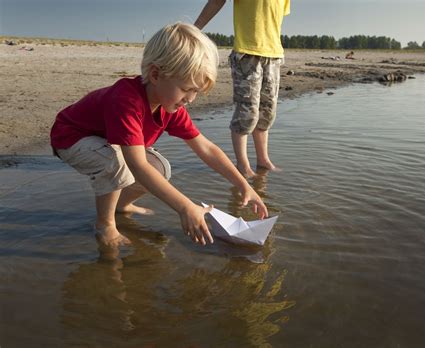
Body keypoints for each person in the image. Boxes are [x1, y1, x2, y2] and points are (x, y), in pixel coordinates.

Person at [50, 22, 268, 248]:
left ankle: (121, 205)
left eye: (196, 92)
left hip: (105, 140)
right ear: (155, 74)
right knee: (118, 164)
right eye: (186, 89)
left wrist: (244, 185)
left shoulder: (170, 106)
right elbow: (137, 166)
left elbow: (206, 148)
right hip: (71, 137)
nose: (190, 99)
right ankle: (105, 224)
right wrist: (185, 207)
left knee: (160, 168)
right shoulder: (127, 100)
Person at [195, 0, 291, 177]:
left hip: (274, 54)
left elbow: (272, 18)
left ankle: (263, 160)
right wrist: (195, 29)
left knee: (267, 112)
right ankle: (243, 165)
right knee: (247, 113)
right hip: (247, 54)